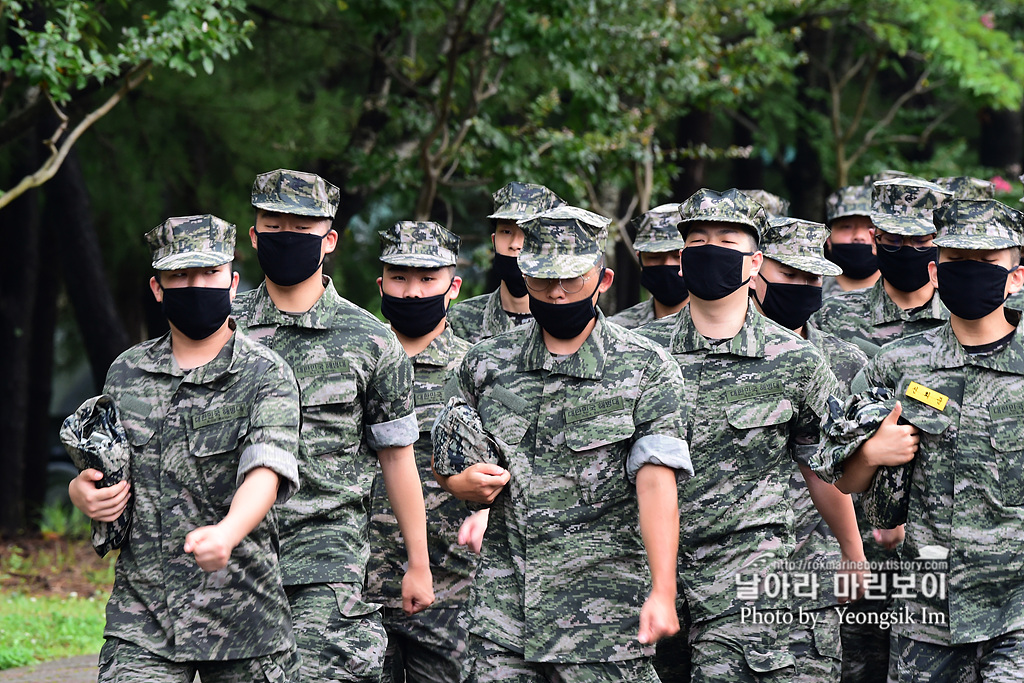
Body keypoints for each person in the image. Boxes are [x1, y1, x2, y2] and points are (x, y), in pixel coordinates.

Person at [433, 204, 692, 682]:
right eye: (541, 280)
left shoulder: (645, 367)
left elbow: (657, 485)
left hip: (604, 622)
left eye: (571, 280)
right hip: (504, 622)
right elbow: (448, 457)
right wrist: (460, 483)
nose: (555, 293)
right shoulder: (485, 363)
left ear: (604, 279)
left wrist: (662, 590)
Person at [68, 214, 302, 682]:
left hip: (243, 616)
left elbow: (267, 468)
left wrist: (228, 532)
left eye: (208, 273)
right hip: (144, 618)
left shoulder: (266, 374)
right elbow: (108, 464)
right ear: (158, 288)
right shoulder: (126, 372)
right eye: (180, 275)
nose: (195, 285)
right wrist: (82, 493)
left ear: (233, 282)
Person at [231, 169, 433, 682]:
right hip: (233, 560)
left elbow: (396, 456)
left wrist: (419, 561)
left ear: (330, 240)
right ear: (253, 237)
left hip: (325, 560)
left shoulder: (369, 340)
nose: (286, 238)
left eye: (302, 227)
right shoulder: (222, 330)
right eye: (273, 226)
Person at [636, 188, 843, 682]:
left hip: (748, 569)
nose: (711, 250)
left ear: (755, 264)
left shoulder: (794, 358)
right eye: (698, 241)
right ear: (682, 261)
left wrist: (854, 555)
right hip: (647, 571)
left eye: (726, 241)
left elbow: (821, 465)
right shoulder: (639, 355)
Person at [822, 197, 1024, 681]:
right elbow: (842, 476)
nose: (970, 272)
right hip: (926, 611)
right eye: (957, 261)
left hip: (1016, 608)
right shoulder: (899, 363)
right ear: (937, 270)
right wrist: (871, 452)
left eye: (987, 262)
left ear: (1016, 276)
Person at [749, 216, 870, 682]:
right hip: (720, 567)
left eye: (811, 277)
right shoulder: (710, 357)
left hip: (812, 566)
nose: (802, 286)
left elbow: (850, 466)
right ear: (757, 273)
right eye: (789, 275)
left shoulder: (845, 360)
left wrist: (851, 552)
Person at [364, 221, 478, 683]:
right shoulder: (357, 360)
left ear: (453, 287)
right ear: (381, 284)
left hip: (453, 589)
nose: (412, 292)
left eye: (427, 279)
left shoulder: (478, 368)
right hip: (357, 589)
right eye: (400, 278)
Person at [817, 178, 952, 359]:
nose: (906, 250)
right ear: (874, 241)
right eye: (893, 240)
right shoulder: (830, 316)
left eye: (920, 240)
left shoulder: (962, 317)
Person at [447, 181, 564, 343]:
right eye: (506, 232)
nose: (515, 244)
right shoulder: (461, 319)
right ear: (494, 241)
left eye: (528, 233)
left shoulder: (566, 323)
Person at [608, 203, 688, 328]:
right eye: (654, 257)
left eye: (678, 256)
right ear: (640, 259)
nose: (667, 264)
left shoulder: (723, 326)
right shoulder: (617, 329)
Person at [822, 184, 880, 299]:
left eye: (870, 227)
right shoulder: (809, 291)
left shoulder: (906, 292)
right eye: (846, 227)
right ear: (828, 239)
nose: (858, 236)